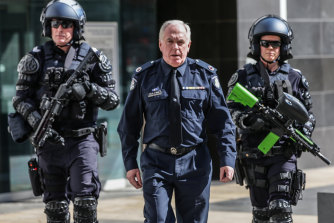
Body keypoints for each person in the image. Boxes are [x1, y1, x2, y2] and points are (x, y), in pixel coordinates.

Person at [117, 20, 236, 223]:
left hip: (195, 161)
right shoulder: (145, 77)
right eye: (170, 41)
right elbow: (129, 125)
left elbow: (223, 122)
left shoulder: (204, 75)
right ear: (160, 45)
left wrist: (227, 159)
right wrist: (130, 164)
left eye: (180, 41)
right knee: (157, 219)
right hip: (156, 162)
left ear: (188, 45)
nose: (175, 47)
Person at [11, 0, 119, 222]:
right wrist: (38, 121)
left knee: (85, 204)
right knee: (55, 208)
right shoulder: (35, 59)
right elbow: (20, 100)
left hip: (82, 141)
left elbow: (113, 100)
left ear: (77, 27)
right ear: (47, 27)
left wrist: (88, 89)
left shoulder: (94, 59)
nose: (60, 29)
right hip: (49, 142)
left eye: (66, 25)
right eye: (55, 24)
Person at [227, 15, 316, 223]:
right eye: (265, 43)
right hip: (254, 153)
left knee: (281, 211)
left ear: (283, 47)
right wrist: (248, 121)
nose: (270, 48)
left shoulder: (295, 78)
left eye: (275, 44)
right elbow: (229, 110)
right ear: (257, 46)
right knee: (260, 214)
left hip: (283, 154)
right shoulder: (242, 77)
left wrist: (304, 132)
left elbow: (309, 114)